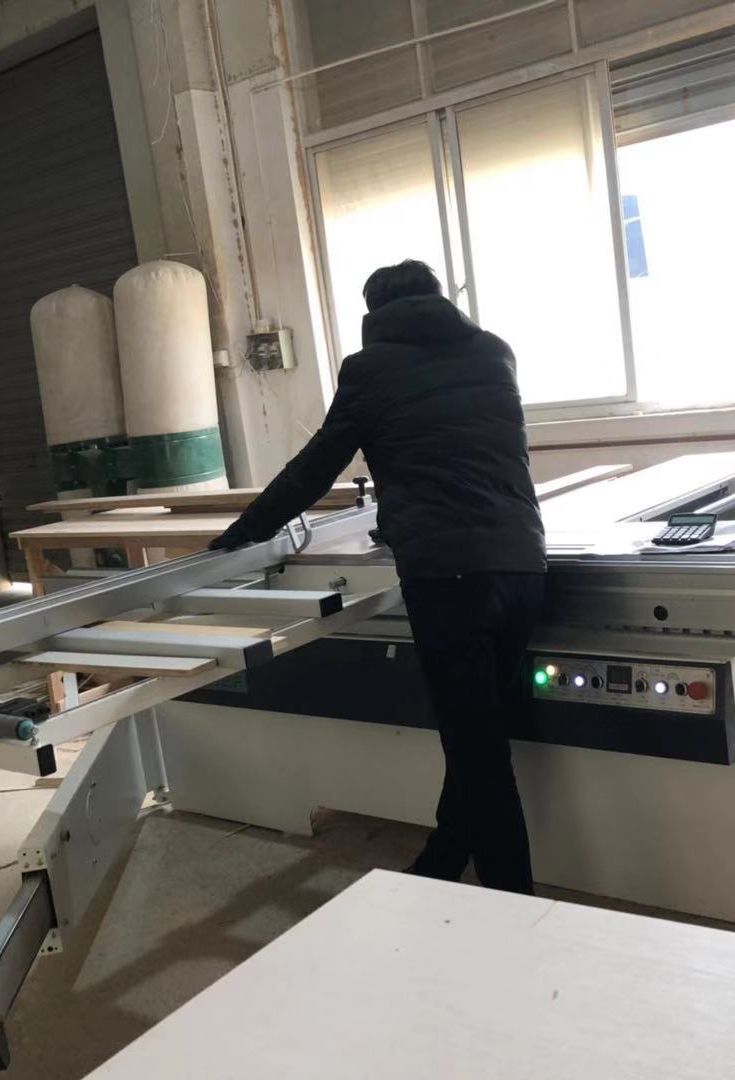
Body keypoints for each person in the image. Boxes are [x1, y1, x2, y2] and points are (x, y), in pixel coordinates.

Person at [209, 259, 546, 894]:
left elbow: (316, 466)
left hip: (449, 577)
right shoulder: (494, 352)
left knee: (479, 752)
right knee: (476, 734)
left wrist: (243, 532)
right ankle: (442, 862)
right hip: (523, 563)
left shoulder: (369, 369)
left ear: (373, 313)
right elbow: (470, 456)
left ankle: (512, 905)